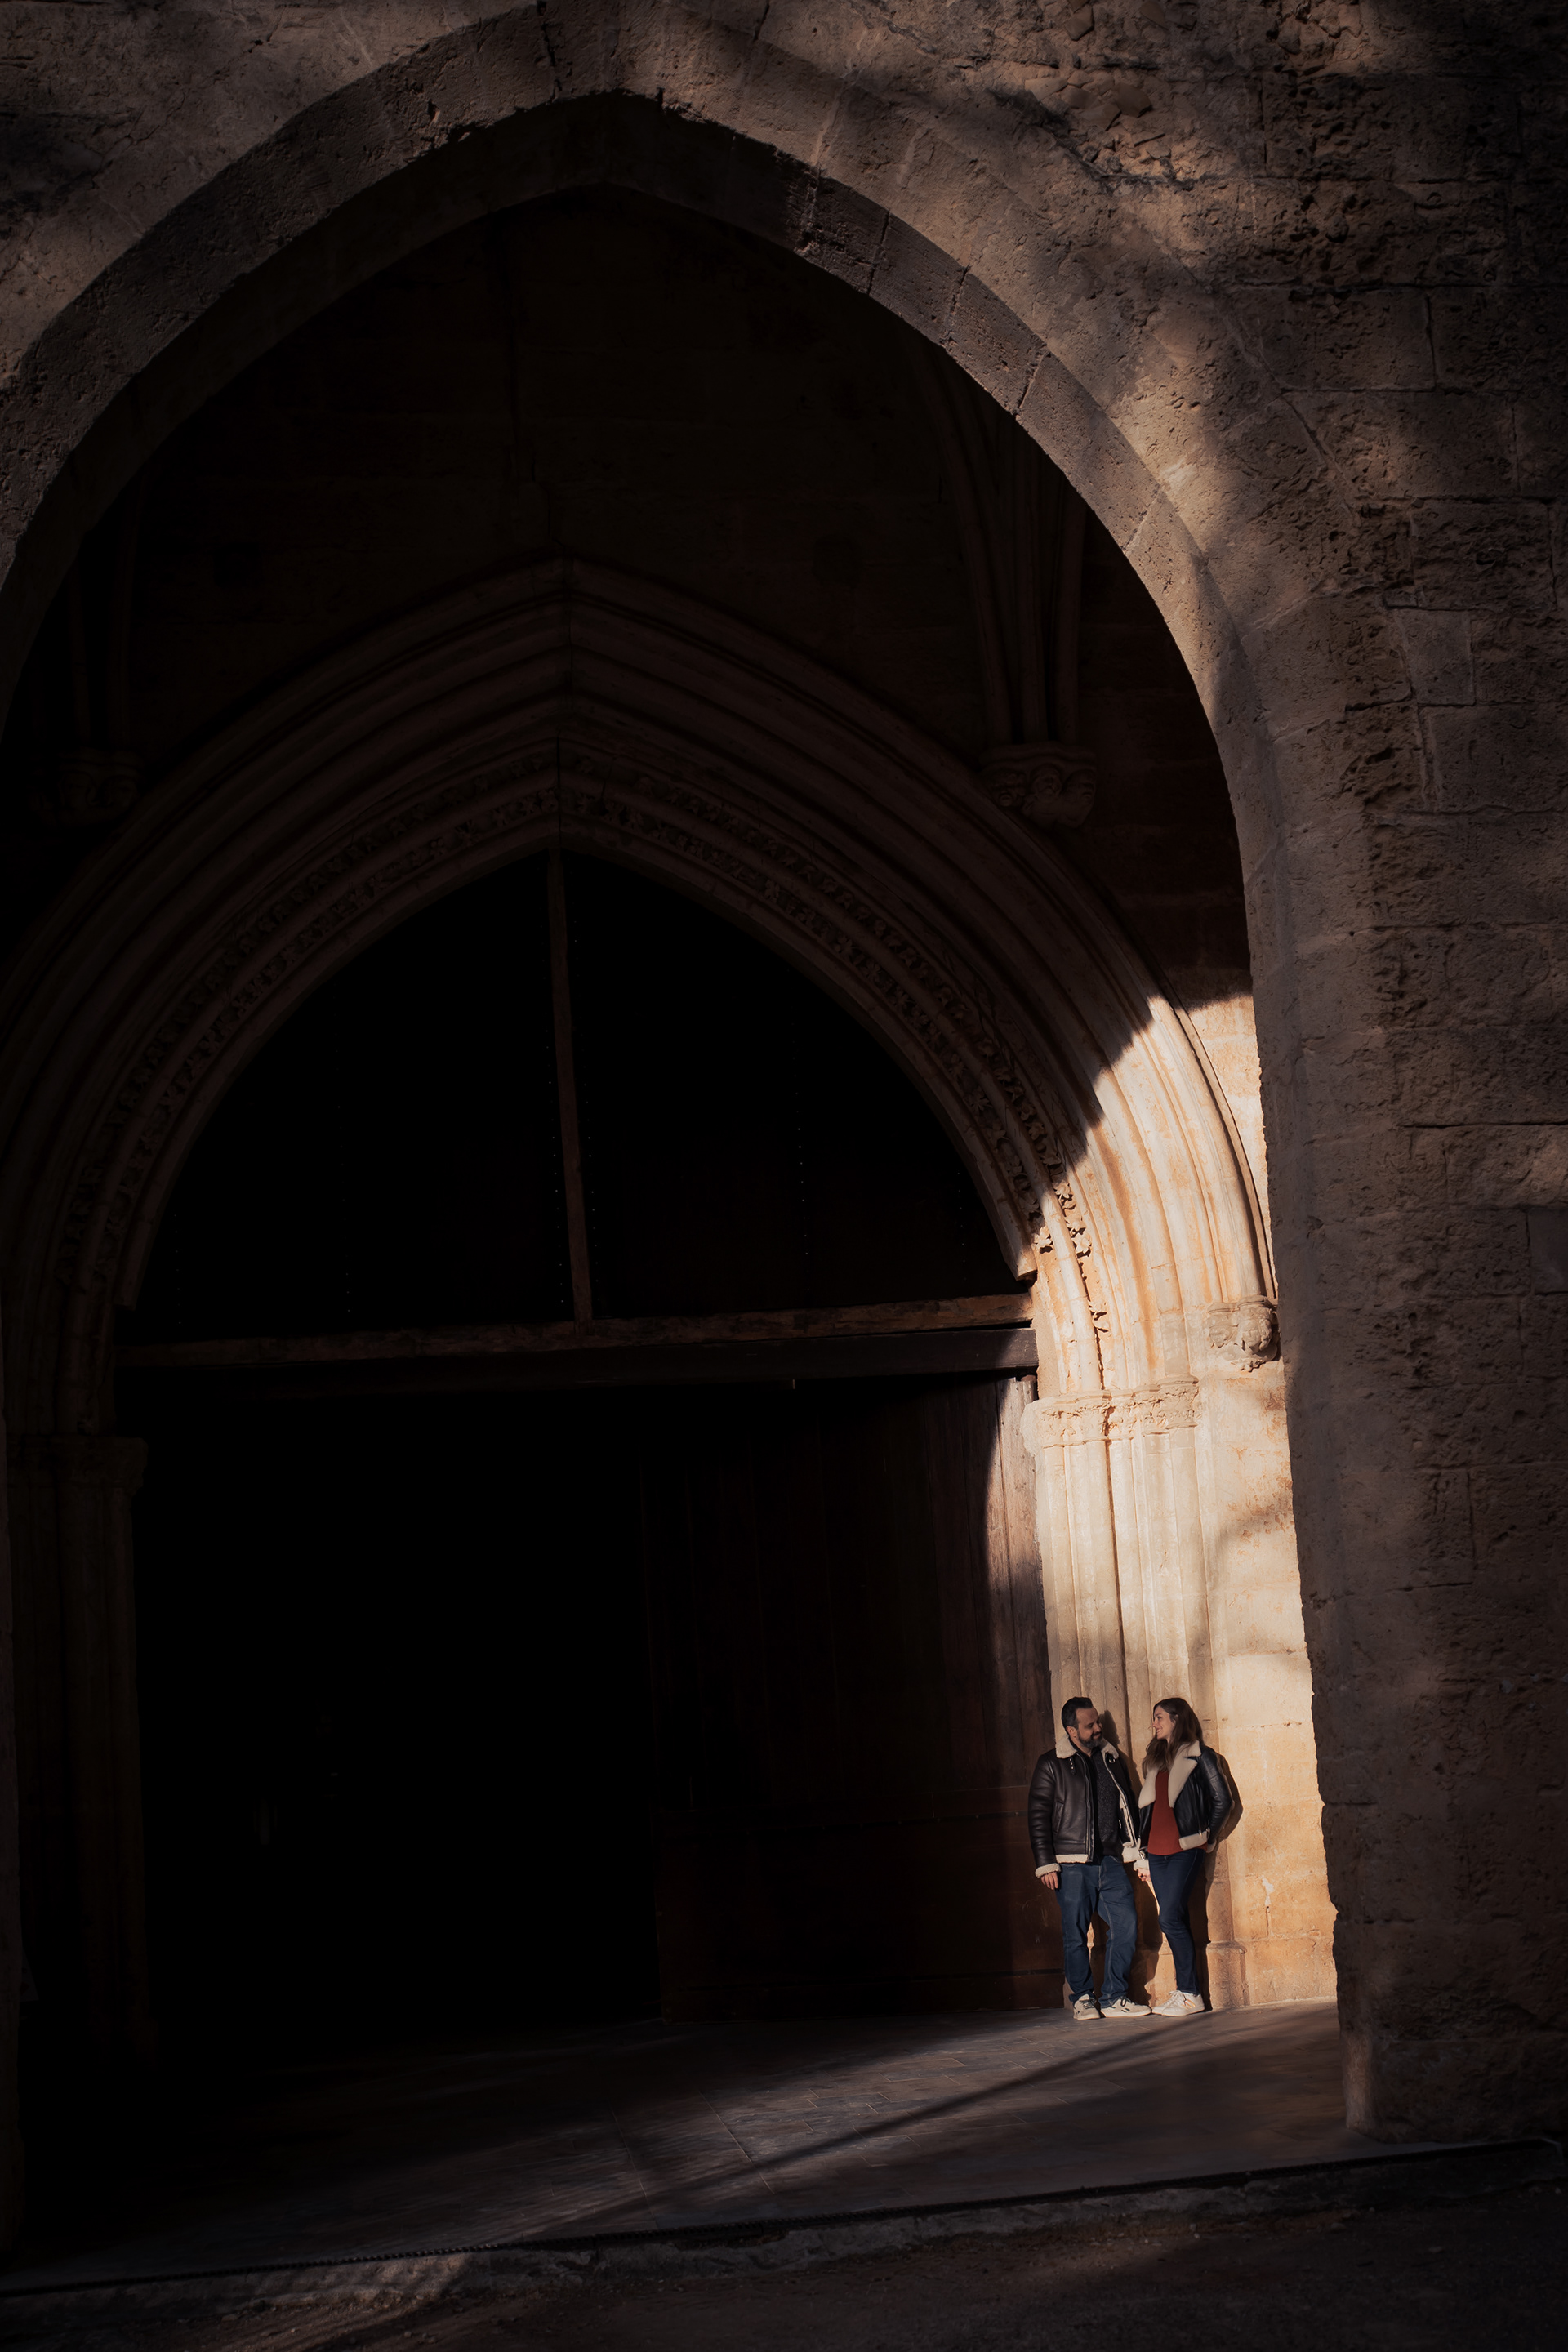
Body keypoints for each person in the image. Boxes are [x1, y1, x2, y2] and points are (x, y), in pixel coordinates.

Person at [1027, 1697, 1149, 2020]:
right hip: (1070, 1863)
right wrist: (1046, 1862)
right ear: (1071, 1730)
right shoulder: (1051, 1763)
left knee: (1126, 1925)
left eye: (1098, 1722)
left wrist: (1136, 1850)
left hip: (1110, 1860)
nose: (1098, 1729)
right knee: (1075, 1933)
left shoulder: (1111, 1758)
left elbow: (1128, 1805)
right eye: (1089, 1725)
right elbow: (1038, 1814)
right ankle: (1082, 1997)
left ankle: (1114, 1997)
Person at [1134, 1695, 1232, 2019]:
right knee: (1176, 1919)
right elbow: (1149, 1810)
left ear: (1177, 1719)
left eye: (1160, 1717)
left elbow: (1224, 1800)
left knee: (1169, 1918)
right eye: (1154, 1718)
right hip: (1157, 1852)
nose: (1154, 1723)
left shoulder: (1200, 1756)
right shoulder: (1156, 1759)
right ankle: (1186, 1991)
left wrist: (1206, 1838)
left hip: (1184, 1850)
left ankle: (1191, 1994)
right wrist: (1142, 1852)